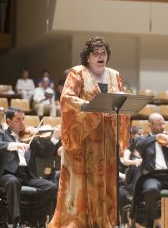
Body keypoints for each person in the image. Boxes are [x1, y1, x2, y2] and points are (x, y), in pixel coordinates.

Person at [48, 36, 130, 228]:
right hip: (82, 139)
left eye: (104, 53)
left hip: (106, 138)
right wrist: (89, 106)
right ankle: (75, 223)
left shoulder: (114, 75)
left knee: (105, 182)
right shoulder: (77, 73)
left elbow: (120, 100)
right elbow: (67, 98)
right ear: (88, 56)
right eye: (96, 53)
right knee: (79, 184)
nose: (101, 56)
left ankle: (104, 222)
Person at [0, 107, 59, 228]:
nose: (22, 122)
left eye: (23, 119)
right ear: (8, 121)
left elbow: (45, 154)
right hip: (8, 174)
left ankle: (32, 219)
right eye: (18, 120)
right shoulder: (1, 134)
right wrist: (14, 145)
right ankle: (16, 222)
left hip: (27, 175)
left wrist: (55, 138)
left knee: (51, 187)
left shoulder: (28, 137)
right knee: (13, 181)